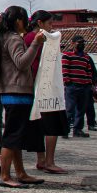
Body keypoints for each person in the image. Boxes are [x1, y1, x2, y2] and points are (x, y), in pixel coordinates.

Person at [0, 5, 46, 188]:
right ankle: (4, 175)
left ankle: (20, 172)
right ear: (19, 20)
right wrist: (35, 43)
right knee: (12, 135)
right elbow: (21, 62)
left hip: (10, 90)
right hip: (17, 91)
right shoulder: (13, 39)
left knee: (16, 136)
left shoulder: (2, 37)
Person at [25, 11, 68, 174]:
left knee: (38, 124)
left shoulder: (28, 37)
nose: (51, 27)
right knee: (51, 125)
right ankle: (49, 161)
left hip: (34, 86)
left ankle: (42, 159)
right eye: (49, 23)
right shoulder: (39, 38)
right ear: (40, 23)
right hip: (45, 86)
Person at [62, 35, 95, 138]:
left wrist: (89, 83)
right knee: (69, 109)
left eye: (83, 43)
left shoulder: (86, 57)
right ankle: (65, 130)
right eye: (79, 42)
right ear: (72, 43)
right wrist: (67, 82)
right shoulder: (67, 55)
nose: (81, 44)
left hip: (84, 86)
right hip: (72, 86)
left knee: (81, 109)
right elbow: (65, 69)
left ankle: (78, 129)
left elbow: (89, 71)